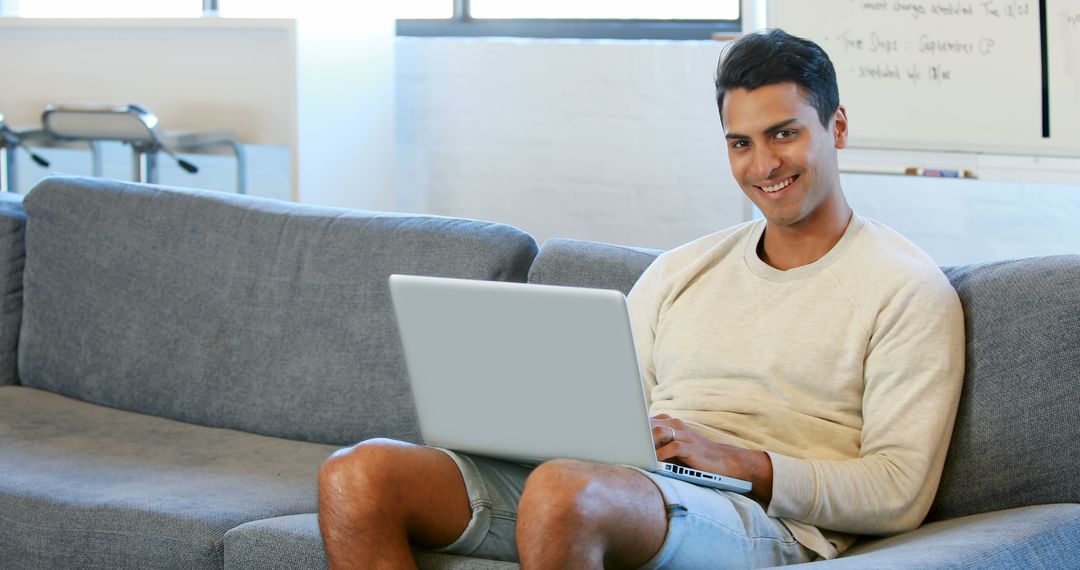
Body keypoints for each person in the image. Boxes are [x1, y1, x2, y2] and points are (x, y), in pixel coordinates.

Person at [317, 28, 965, 569]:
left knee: (563, 493)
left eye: (784, 134)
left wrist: (740, 461)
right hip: (626, 486)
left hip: (767, 518)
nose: (763, 164)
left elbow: (898, 490)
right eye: (740, 143)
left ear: (838, 128)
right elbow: (607, 415)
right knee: (358, 477)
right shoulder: (681, 271)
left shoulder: (905, 288)